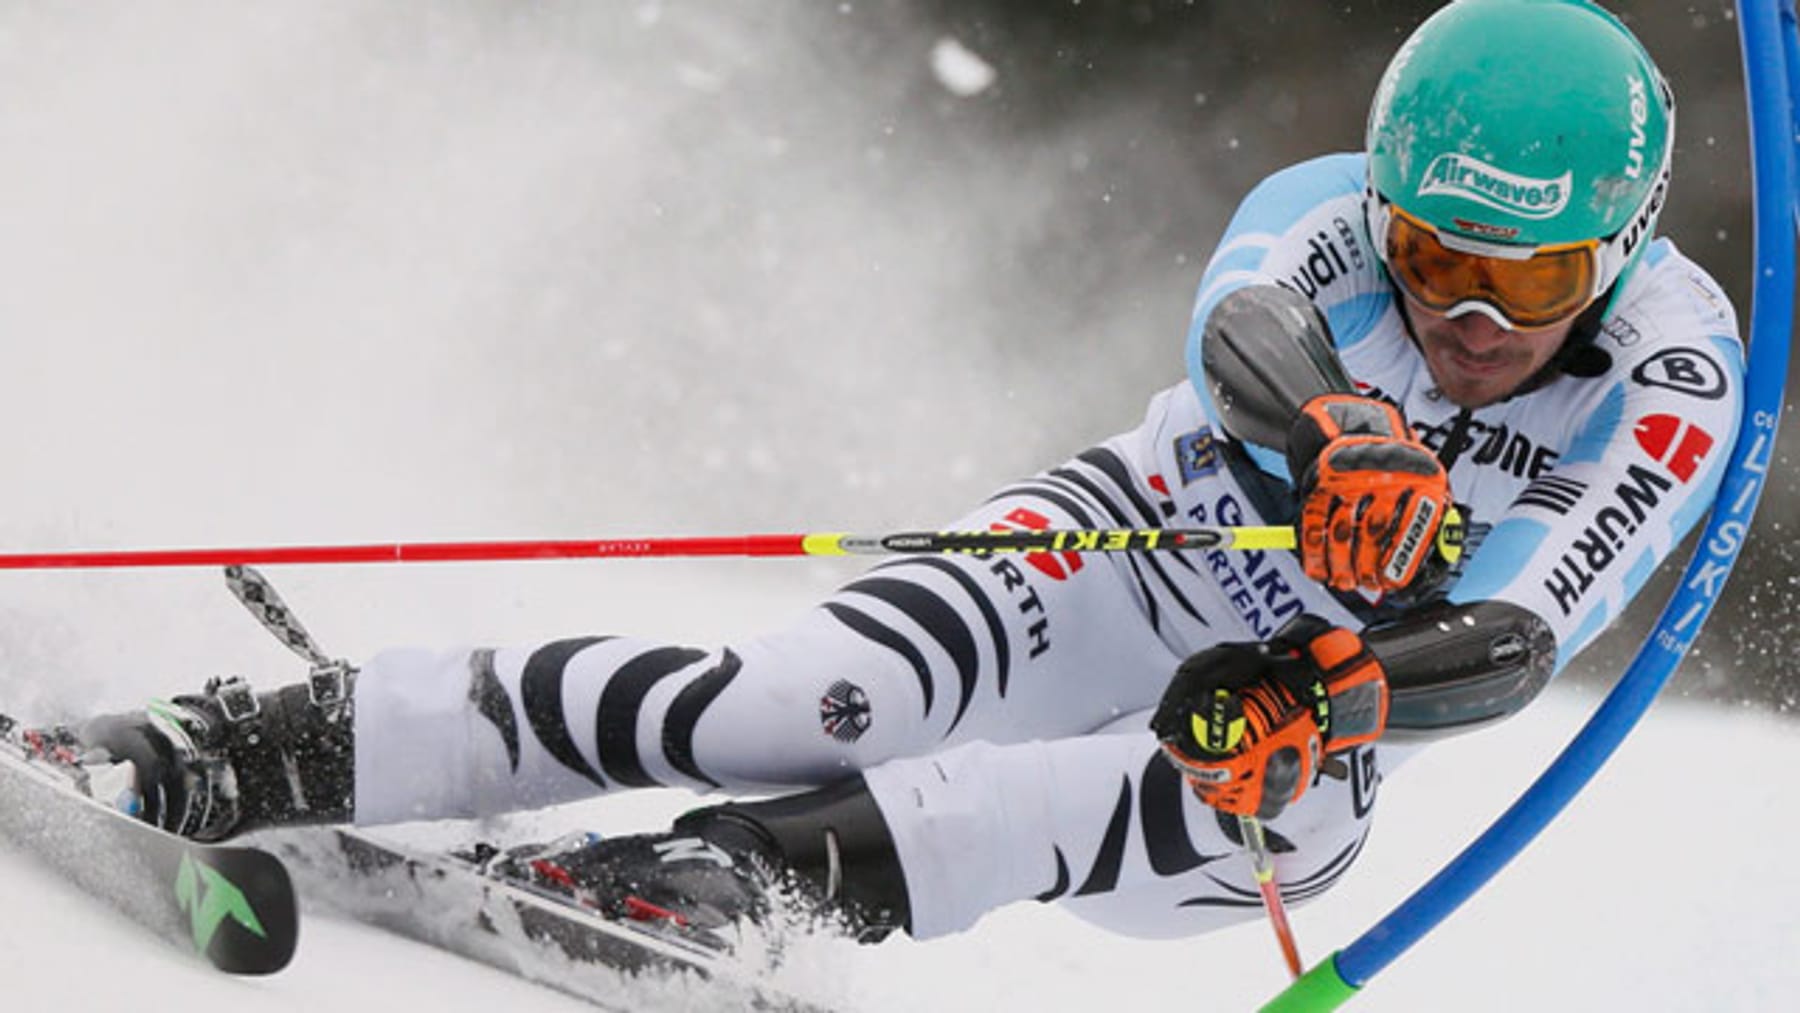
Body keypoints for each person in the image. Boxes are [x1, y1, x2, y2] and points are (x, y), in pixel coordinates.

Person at [75, 0, 1742, 949]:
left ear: (1623, 247)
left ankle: (758, 872)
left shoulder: (1675, 376)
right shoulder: (1336, 216)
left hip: (1292, 731)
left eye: (1524, 283)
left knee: (1207, 782)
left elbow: (1526, 628)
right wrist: (1330, 436)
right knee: (807, 690)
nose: (1461, 312)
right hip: (1135, 542)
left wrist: (1346, 681)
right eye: (1433, 253)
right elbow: (1239, 320)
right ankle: (270, 738)